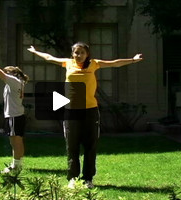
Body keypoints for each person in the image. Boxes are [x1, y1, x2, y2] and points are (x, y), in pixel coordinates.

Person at [27, 42, 143, 188]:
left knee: (90, 146)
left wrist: (133, 59)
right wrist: (35, 51)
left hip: (90, 110)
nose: (79, 55)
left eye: (82, 52)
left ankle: (88, 178)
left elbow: (115, 63)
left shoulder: (94, 64)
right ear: (72, 54)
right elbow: (49, 58)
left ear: (87, 54)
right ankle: (73, 179)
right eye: (76, 52)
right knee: (72, 146)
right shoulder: (68, 63)